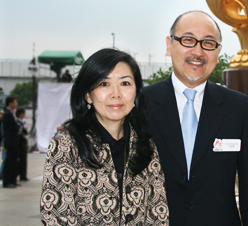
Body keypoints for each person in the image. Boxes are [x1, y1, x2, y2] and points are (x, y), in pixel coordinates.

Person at [144, 11, 248, 226]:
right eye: (188, 40)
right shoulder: (141, 104)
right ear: (169, 45)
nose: (198, 51)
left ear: (218, 51)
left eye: (208, 43)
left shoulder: (238, 108)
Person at [40, 49, 169, 226]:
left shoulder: (145, 145)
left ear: (136, 93)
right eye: (103, 84)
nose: (116, 94)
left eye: (125, 83)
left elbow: (158, 213)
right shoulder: (66, 146)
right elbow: (56, 217)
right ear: (87, 95)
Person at [2, 96, 20, 188]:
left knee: (14, 161)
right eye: (15, 102)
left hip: (14, 141)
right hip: (10, 141)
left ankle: (12, 180)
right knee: (9, 161)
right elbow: (11, 127)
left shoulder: (11, 113)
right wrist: (17, 127)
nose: (16, 104)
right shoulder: (7, 114)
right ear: (10, 103)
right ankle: (7, 181)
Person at [16, 108, 29, 181]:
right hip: (19, 141)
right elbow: (20, 131)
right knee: (20, 159)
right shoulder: (17, 122)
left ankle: (23, 175)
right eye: (23, 113)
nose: (24, 114)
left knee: (24, 159)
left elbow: (25, 132)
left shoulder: (23, 122)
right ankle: (20, 174)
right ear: (20, 114)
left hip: (23, 140)